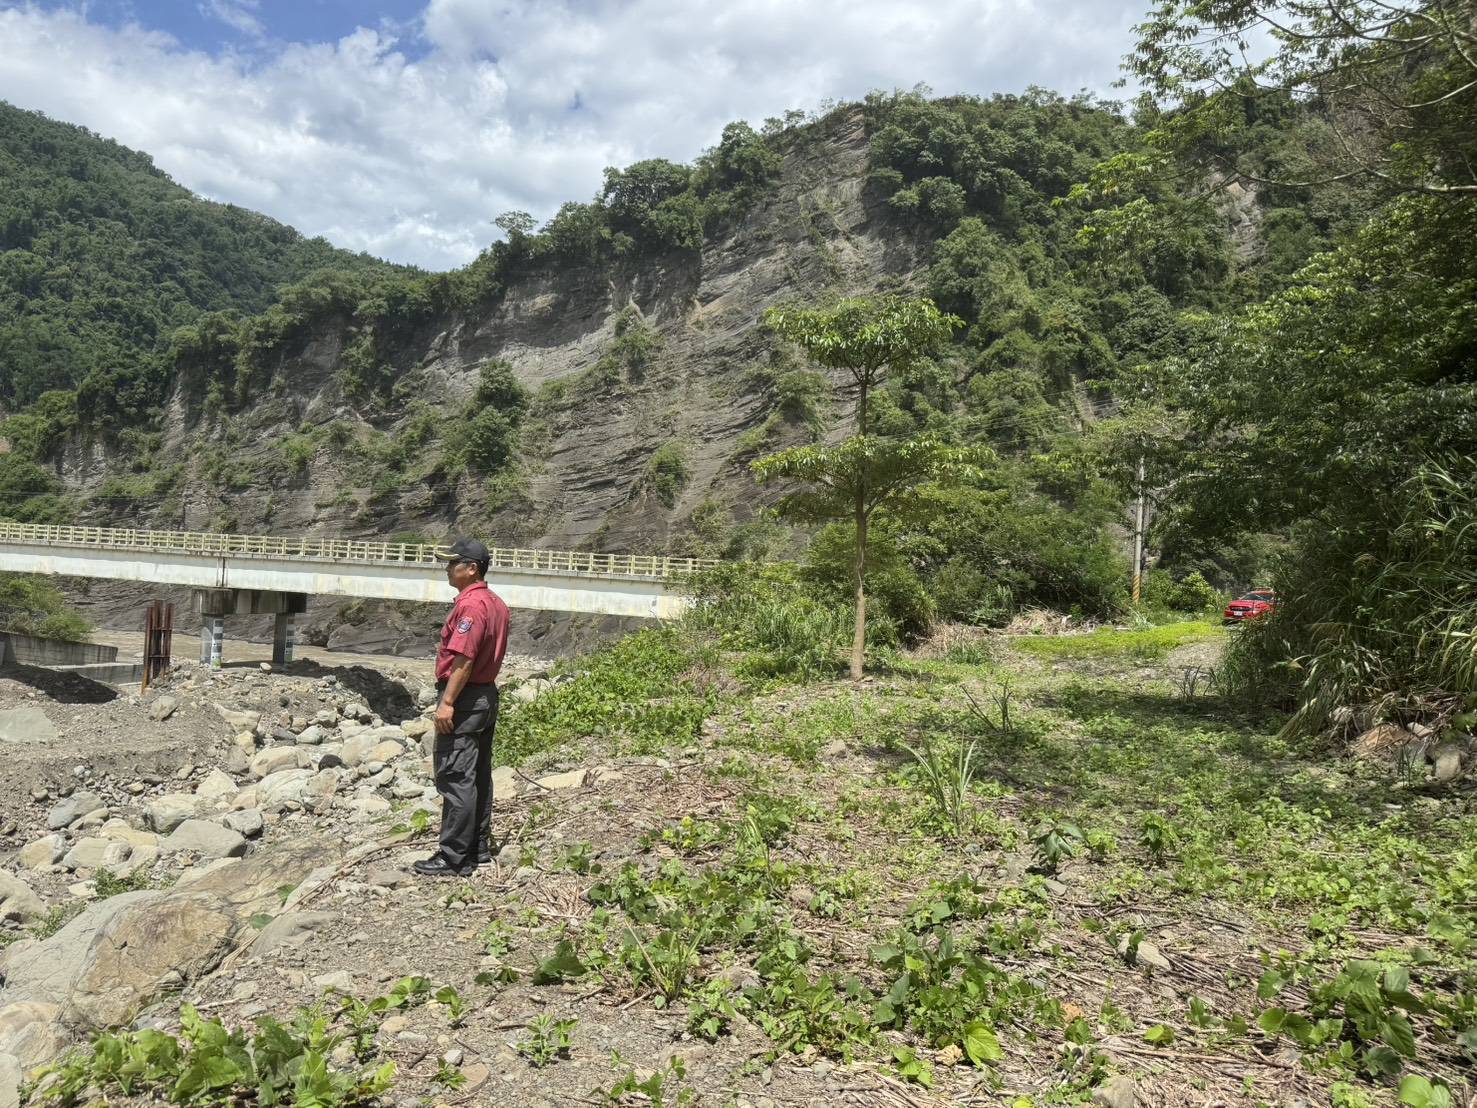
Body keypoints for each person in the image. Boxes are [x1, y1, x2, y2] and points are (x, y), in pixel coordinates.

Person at [414, 538, 510, 877]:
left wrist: (448, 702)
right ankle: (477, 847)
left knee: (456, 776)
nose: (446, 568)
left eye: (453, 562)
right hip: (486, 696)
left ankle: (454, 857)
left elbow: (464, 659)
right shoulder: (496, 603)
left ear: (472, 568)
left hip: (466, 698)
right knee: (479, 775)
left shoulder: (471, 606)